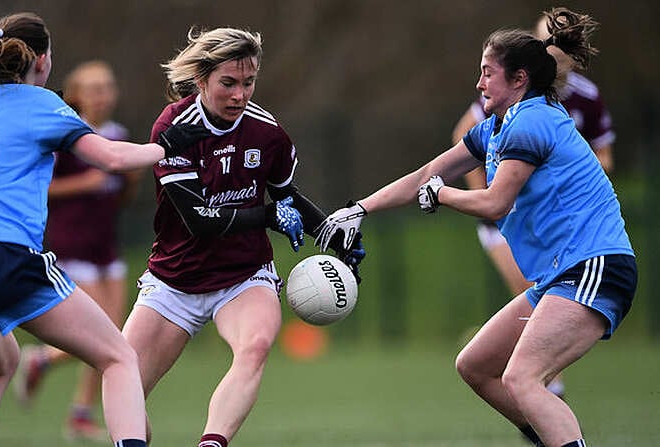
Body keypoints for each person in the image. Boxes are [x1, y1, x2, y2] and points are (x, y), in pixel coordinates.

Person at [317, 8, 635, 447]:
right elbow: (428, 172)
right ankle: (551, 438)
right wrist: (358, 210)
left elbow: (495, 200)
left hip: (594, 266)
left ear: (519, 78)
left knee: (523, 377)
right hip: (562, 273)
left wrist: (442, 195)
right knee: (477, 365)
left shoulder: (533, 121)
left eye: (488, 73)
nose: (479, 83)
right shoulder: (498, 126)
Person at [0, 12, 208, 447]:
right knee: (118, 359)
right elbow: (110, 158)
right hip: (4, 257)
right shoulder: (41, 103)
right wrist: (167, 144)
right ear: (42, 59)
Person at [120, 27, 365, 447]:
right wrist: (267, 214)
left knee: (254, 348)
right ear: (201, 80)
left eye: (248, 82)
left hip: (243, 276)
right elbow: (201, 219)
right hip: (173, 281)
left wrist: (331, 233)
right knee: (122, 385)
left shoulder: (266, 133)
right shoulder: (174, 129)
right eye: (228, 83)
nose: (240, 95)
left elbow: (289, 197)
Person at [449, 12, 618, 403]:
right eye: (544, 41)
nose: (551, 51)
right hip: (505, 214)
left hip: (561, 229)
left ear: (572, 55)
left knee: (543, 301)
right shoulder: (509, 94)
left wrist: (568, 162)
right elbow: (463, 139)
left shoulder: (583, 100)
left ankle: (540, 387)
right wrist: (486, 197)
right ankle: (544, 388)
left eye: (558, 44)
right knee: (531, 294)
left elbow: (605, 157)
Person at [13, 60, 143, 440]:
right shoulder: (66, 134)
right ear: (77, 94)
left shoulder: (117, 134)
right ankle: (42, 359)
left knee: (115, 335)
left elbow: (118, 193)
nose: (103, 95)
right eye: (95, 88)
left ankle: (78, 408)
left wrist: (128, 180)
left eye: (108, 87)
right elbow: (42, 188)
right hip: (71, 243)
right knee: (101, 333)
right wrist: (86, 182)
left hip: (106, 244)